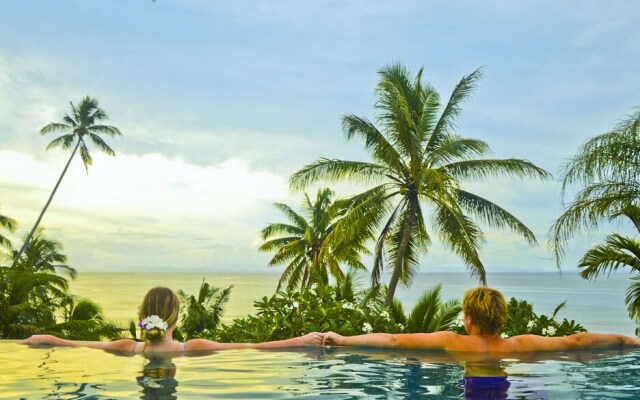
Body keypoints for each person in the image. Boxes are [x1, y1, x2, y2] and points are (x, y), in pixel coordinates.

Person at [321, 286, 640, 352]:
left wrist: (344, 338)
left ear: (468, 319)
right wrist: (629, 340)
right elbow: (579, 341)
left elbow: (392, 340)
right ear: (502, 317)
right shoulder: (521, 345)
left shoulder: (453, 343)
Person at [20, 286, 322, 353]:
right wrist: (304, 340)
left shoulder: (128, 346)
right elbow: (254, 347)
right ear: (176, 319)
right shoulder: (193, 347)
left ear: (141, 318)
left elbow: (74, 343)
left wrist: (45, 338)